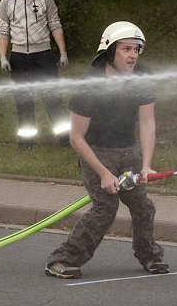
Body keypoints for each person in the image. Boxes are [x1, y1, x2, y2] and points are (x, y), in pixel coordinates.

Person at [45, 21, 169, 279]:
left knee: (143, 206)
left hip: (128, 150)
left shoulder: (142, 77)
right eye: (126, 49)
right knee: (105, 207)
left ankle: (149, 255)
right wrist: (102, 173)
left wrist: (146, 164)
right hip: (96, 151)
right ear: (110, 50)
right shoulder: (90, 85)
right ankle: (62, 259)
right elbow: (76, 137)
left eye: (137, 49)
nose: (133, 55)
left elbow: (147, 122)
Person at [0, 0, 70, 150]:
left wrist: (62, 52)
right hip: (19, 58)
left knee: (53, 98)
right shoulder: (6, 3)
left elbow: (55, 25)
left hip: (44, 55)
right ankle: (27, 142)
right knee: (23, 100)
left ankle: (65, 139)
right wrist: (3, 57)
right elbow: (3, 31)